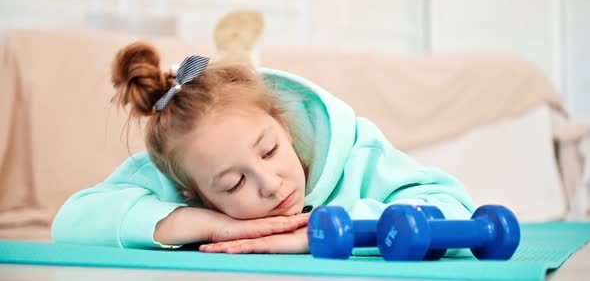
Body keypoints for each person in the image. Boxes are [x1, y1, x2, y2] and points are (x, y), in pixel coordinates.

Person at [51, 42, 475, 254]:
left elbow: (456, 211)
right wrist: (207, 225)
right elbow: (70, 226)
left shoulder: (358, 156)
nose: (270, 185)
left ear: (282, 124)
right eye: (234, 183)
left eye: (269, 151)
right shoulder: (177, 175)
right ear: (193, 190)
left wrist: (326, 234)